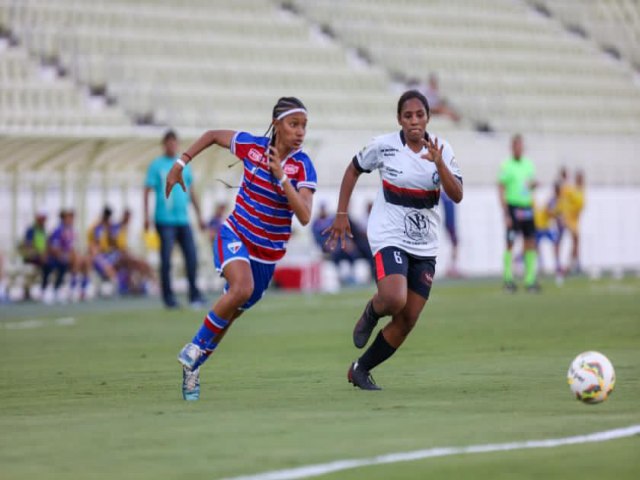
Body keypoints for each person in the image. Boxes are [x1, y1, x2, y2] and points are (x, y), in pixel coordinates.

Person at [168, 97, 317, 400]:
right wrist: (181, 162)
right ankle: (193, 347)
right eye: (293, 124)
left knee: (231, 312)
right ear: (276, 125)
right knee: (240, 289)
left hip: (267, 256)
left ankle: (194, 366)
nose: (300, 132)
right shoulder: (252, 146)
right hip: (235, 233)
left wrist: (282, 177)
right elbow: (211, 136)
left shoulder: (303, 166)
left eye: (303, 125)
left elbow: (304, 214)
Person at [323, 90, 463, 390]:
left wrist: (440, 164)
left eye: (420, 115)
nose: (414, 121)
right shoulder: (383, 146)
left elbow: (457, 195)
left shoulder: (443, 149)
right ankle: (372, 311)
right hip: (388, 233)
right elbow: (353, 169)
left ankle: (360, 369)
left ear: (427, 118)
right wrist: (341, 213)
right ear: (399, 119)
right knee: (394, 298)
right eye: (408, 115)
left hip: (425, 243)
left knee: (408, 318)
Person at [144, 130, 206, 309]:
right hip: (164, 220)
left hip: (183, 219)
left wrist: (199, 215)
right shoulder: (156, 166)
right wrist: (145, 216)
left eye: (174, 143)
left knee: (191, 256)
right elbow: (147, 190)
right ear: (164, 145)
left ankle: (194, 295)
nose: (172, 146)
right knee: (166, 259)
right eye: (169, 143)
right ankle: (168, 298)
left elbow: (192, 191)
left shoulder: (184, 164)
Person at [498, 134, 539, 293]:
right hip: (513, 207)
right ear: (512, 147)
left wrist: (534, 185)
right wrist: (506, 213)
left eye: (521, 146)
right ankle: (508, 279)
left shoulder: (529, 165)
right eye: (516, 146)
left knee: (530, 242)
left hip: (527, 207)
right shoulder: (506, 165)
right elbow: (501, 188)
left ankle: (530, 280)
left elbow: (529, 185)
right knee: (510, 242)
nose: (519, 149)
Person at [46, 209, 91, 303]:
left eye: (72, 217)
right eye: (69, 217)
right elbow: (54, 249)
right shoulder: (58, 231)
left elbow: (74, 247)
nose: (71, 219)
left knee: (87, 260)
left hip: (70, 256)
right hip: (60, 257)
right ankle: (72, 288)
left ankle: (84, 288)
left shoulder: (72, 231)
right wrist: (67, 254)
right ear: (63, 218)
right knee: (76, 258)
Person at [558, 170, 585, 274]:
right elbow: (563, 194)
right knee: (569, 241)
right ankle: (565, 265)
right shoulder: (572, 189)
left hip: (574, 221)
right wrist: (562, 216)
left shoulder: (581, 190)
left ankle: (572, 264)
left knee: (575, 242)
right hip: (568, 220)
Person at [534, 182, 562, 279]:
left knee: (555, 244)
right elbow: (548, 211)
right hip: (540, 225)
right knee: (536, 246)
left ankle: (557, 266)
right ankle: (541, 266)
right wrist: (555, 215)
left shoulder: (559, 200)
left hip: (546, 226)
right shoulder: (552, 200)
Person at [440, 189, 460, 277]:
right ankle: (451, 267)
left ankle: (452, 266)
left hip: (450, 223)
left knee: (454, 244)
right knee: (453, 244)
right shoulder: (443, 195)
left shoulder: (449, 194)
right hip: (448, 223)